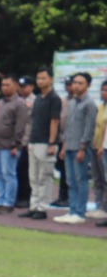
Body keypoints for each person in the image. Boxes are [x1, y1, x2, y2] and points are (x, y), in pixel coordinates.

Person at [55, 72, 97, 224]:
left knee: (81, 179)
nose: (76, 85)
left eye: (80, 83)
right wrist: (63, 146)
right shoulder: (72, 103)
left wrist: (82, 147)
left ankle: (80, 212)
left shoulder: (90, 104)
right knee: (70, 180)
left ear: (88, 86)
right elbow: (68, 127)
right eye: (75, 82)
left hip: (80, 147)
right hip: (69, 146)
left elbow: (89, 127)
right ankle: (72, 210)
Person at [24, 68, 62, 219]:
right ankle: (33, 205)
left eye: (43, 78)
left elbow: (55, 121)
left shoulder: (54, 98)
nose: (40, 81)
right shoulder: (38, 98)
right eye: (38, 78)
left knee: (44, 176)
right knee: (33, 177)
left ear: (50, 79)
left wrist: (52, 142)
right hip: (34, 140)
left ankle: (42, 207)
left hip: (46, 142)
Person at [0, 74, 26, 213]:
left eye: (7, 85)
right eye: (3, 85)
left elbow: (20, 126)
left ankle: (9, 203)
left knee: (9, 174)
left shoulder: (19, 103)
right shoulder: (1, 102)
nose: (4, 88)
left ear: (15, 86)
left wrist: (16, 144)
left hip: (9, 146)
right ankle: (1, 200)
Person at [14, 75, 33, 209]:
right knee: (16, 171)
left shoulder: (34, 101)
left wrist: (26, 141)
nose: (22, 89)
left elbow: (31, 124)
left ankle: (26, 197)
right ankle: (18, 196)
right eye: (20, 86)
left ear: (31, 87)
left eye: (25, 86)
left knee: (26, 171)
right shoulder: (17, 100)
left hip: (28, 141)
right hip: (16, 141)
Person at [92, 79, 107, 224]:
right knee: (98, 179)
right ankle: (98, 206)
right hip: (96, 146)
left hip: (104, 147)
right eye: (102, 90)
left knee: (105, 179)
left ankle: (104, 208)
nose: (104, 93)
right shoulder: (100, 107)